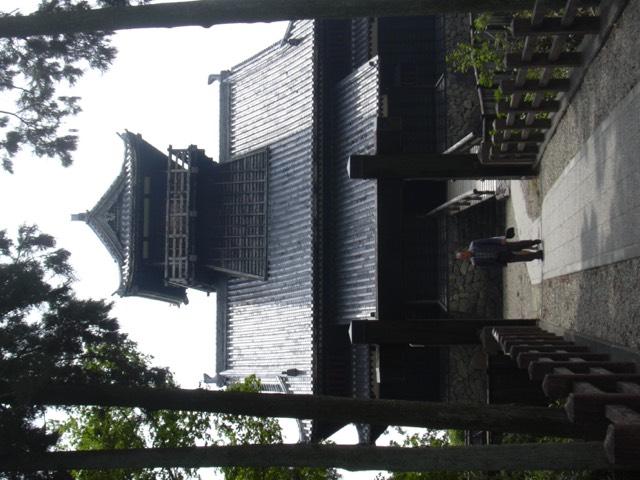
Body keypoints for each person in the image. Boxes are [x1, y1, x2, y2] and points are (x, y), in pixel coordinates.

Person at [456, 235, 543, 267]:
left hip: (499, 247)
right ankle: (537, 255)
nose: (465, 257)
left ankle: (533, 242)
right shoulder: (475, 262)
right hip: (500, 258)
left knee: (518, 245)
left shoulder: (474, 244)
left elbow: (488, 241)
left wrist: (499, 241)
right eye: (463, 258)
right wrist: (501, 264)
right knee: (520, 258)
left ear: (464, 251)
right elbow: (489, 265)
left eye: (463, 255)